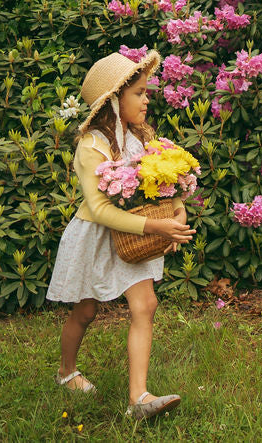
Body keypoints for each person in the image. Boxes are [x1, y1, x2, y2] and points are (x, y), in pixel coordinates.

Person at [46, 51, 196, 417]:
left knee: (145, 304)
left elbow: (162, 185)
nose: (147, 100)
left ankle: (138, 399)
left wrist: (177, 209)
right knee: (85, 311)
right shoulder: (91, 146)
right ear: (114, 100)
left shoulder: (140, 138)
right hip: (96, 237)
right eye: (140, 93)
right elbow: (99, 209)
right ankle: (66, 373)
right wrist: (156, 227)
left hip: (134, 239)